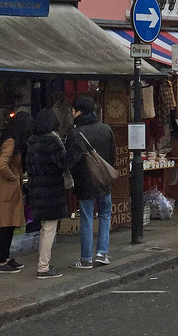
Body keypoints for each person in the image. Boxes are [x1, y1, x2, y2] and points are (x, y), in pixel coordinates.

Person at [26, 109, 83, 279]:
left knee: (46, 227)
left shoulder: (32, 141)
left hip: (37, 189)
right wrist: (77, 148)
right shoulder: (52, 140)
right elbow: (64, 162)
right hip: (50, 190)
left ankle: (44, 264)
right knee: (49, 228)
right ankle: (43, 266)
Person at [69, 96, 116, 269]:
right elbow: (112, 157)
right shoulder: (106, 129)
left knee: (87, 218)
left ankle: (86, 258)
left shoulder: (74, 133)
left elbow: (70, 161)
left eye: (73, 110)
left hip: (84, 182)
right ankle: (102, 253)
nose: (71, 114)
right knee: (105, 214)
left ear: (79, 112)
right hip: (103, 180)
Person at [0, 111, 33, 274]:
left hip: (9, 190)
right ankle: (2, 261)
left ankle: (5, 258)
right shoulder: (10, 142)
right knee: (6, 226)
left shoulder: (12, 141)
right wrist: (14, 177)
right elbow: (2, 165)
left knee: (10, 226)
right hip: (7, 191)